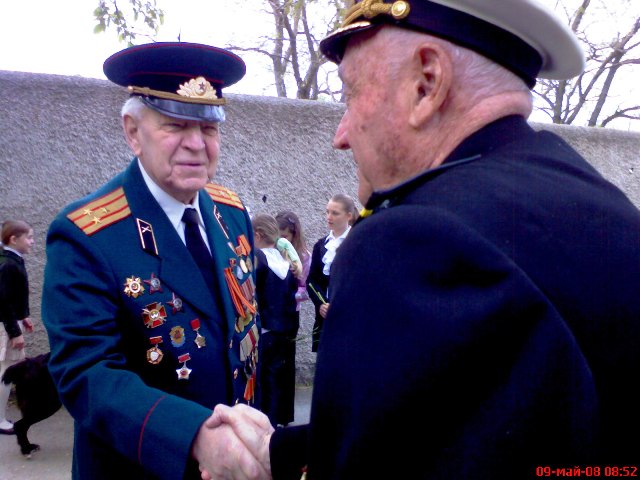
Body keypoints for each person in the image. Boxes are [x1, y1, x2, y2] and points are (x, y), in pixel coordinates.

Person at [196, 1, 640, 479]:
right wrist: (282, 453)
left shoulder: (411, 240)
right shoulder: (603, 206)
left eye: (349, 95)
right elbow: (475, 422)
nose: (340, 136)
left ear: (426, 84)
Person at [41, 42, 265, 479]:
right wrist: (194, 436)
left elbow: (245, 336)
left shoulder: (231, 212)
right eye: (175, 125)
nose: (196, 144)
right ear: (132, 132)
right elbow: (86, 372)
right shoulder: (85, 234)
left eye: (209, 128)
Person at [252, 214, 299, 428]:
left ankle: (265, 424)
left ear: (257, 235)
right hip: (283, 328)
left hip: (264, 328)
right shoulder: (284, 260)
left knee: (264, 378)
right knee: (277, 376)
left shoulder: (258, 259)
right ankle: (277, 420)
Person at [305, 194, 357, 351]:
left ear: (348, 215)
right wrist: (321, 304)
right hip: (325, 316)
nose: (329, 217)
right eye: (327, 212)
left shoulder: (357, 242)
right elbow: (312, 280)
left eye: (335, 213)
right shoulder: (321, 245)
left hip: (350, 315)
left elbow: (362, 281)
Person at [0, 220, 35, 435]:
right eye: (29, 237)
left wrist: (24, 317)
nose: (32, 242)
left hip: (10, 322)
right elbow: (3, 301)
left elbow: (15, 295)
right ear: (14, 239)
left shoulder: (13, 260)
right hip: (6, 326)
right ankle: (0, 421)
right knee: (6, 372)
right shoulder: (8, 264)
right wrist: (15, 332)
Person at [275, 211, 311, 310]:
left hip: (289, 309)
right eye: (277, 236)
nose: (280, 240)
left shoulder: (304, 257)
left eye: (284, 237)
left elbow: (306, 288)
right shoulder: (270, 251)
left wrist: (289, 295)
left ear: (294, 236)